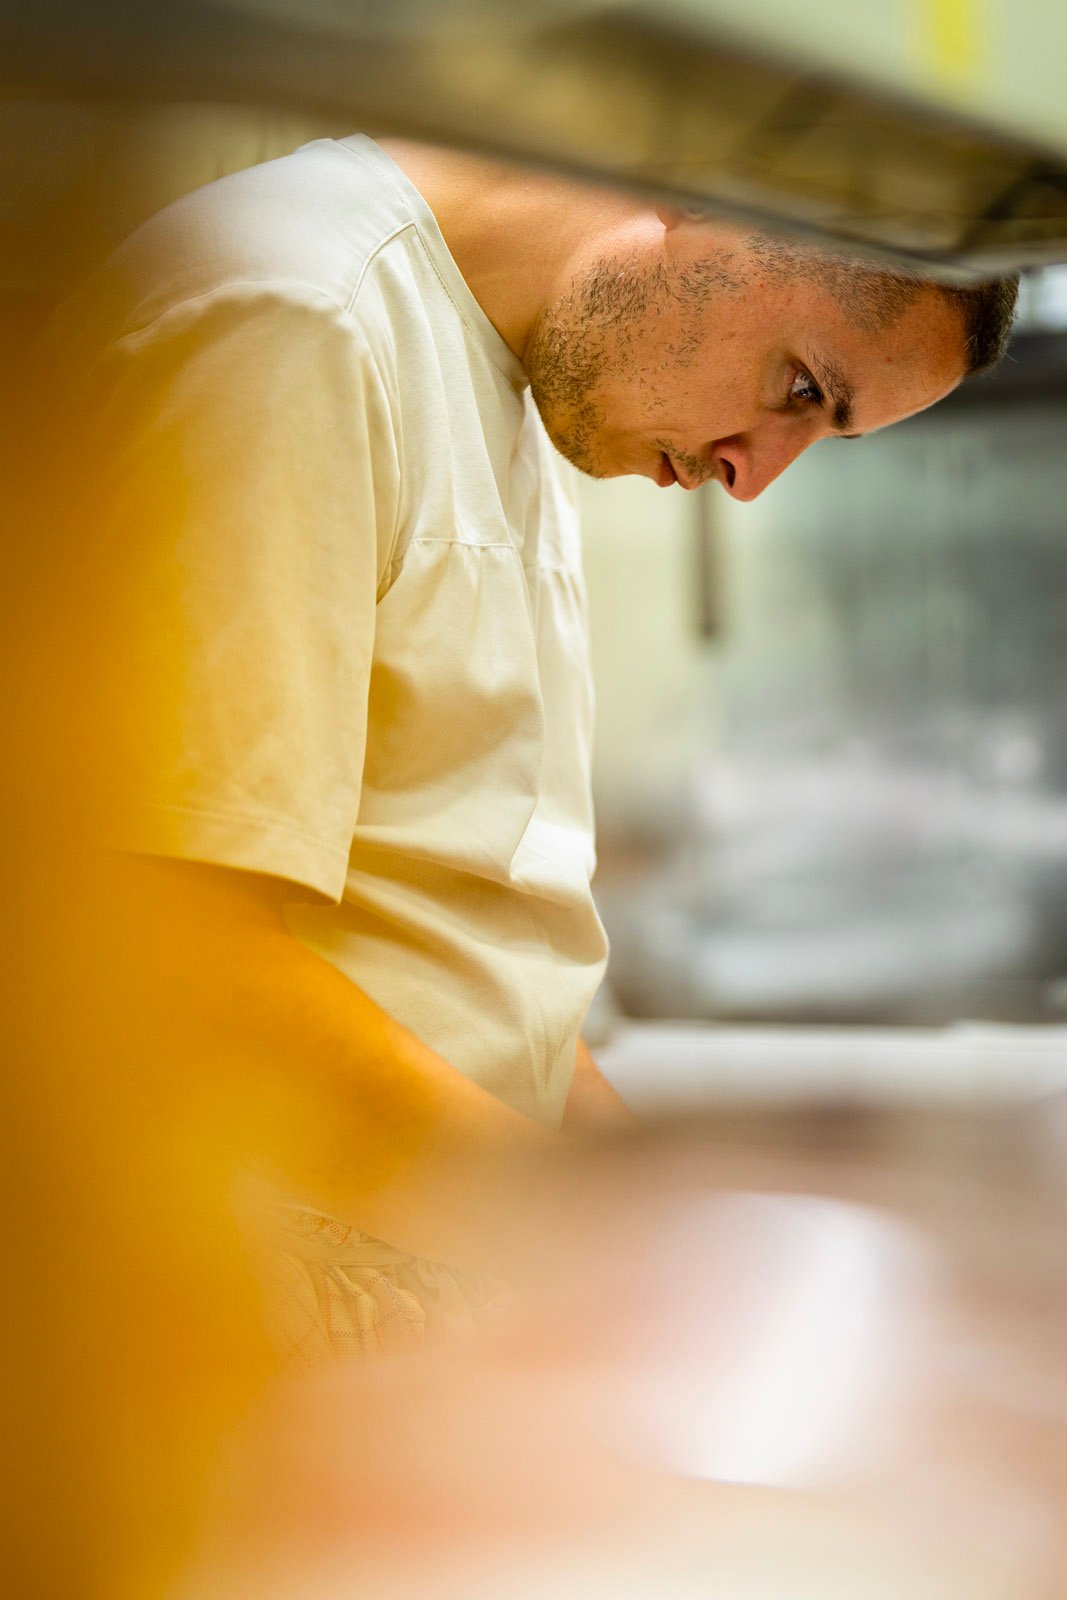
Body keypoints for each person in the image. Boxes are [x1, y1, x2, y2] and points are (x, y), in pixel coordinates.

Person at [43, 133, 1017, 1359]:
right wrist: (610, 1245)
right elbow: (176, 956)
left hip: (399, 1278)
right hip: (233, 1300)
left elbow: (481, 988)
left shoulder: (520, 377)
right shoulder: (297, 318)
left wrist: (703, 1240)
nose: (751, 476)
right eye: (798, 388)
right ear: (709, 196)